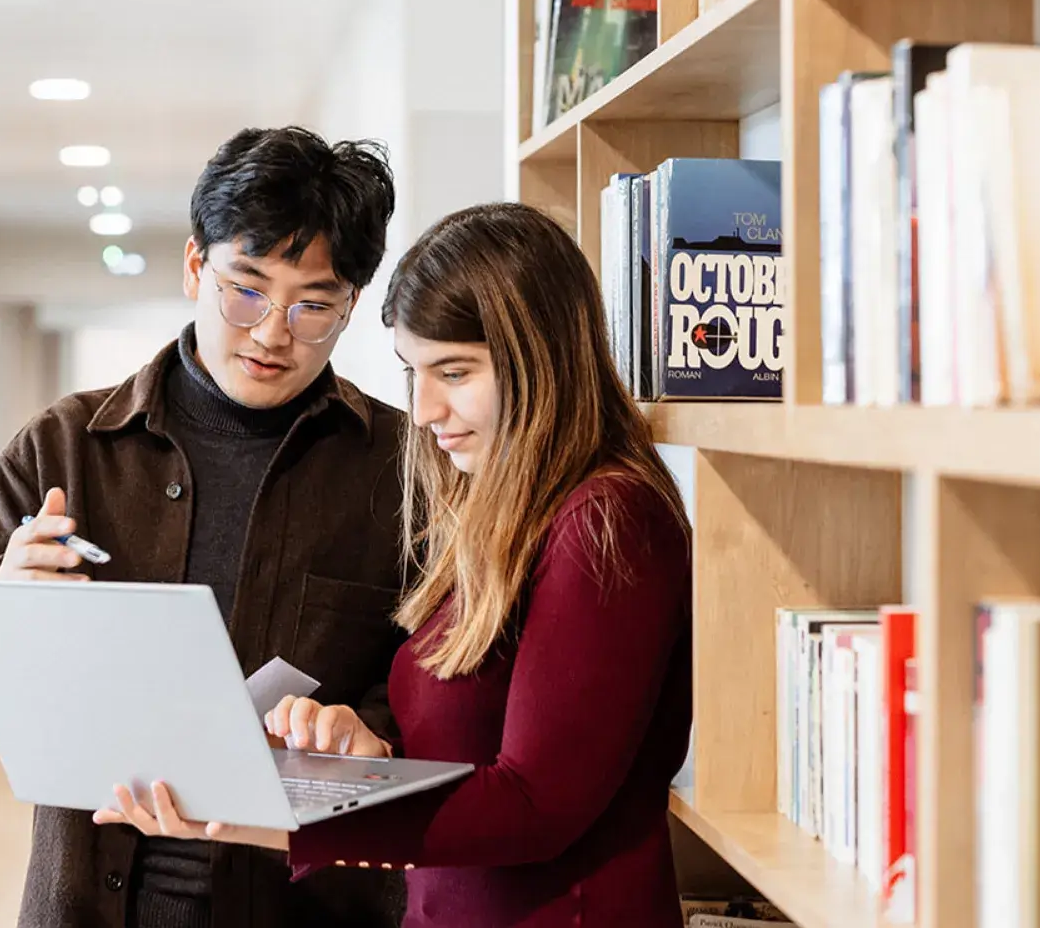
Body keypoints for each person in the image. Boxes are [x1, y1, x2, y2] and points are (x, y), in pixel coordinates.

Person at [93, 201, 696, 928]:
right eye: (415, 372)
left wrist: (273, 814)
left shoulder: (609, 521)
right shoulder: (497, 512)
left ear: (542, 358)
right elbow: (472, 742)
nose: (427, 407)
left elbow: (538, 805)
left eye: (455, 371)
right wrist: (367, 749)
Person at [0, 126, 413, 928]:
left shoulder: (402, 470)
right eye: (245, 288)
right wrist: (6, 598)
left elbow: (452, 690)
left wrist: (372, 734)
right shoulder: (66, 448)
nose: (272, 331)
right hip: (92, 902)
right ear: (194, 266)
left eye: (313, 305)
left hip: (311, 908)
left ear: (351, 305)